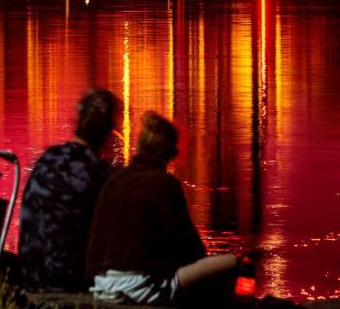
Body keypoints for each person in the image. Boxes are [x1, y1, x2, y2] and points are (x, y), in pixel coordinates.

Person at [87, 111, 242, 305]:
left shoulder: (114, 180)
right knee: (234, 263)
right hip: (143, 286)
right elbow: (189, 248)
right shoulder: (165, 185)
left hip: (104, 283)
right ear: (169, 153)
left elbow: (95, 246)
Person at [18, 88, 119, 292]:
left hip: (29, 274)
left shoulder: (47, 159)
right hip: (68, 281)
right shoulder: (99, 173)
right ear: (108, 132)